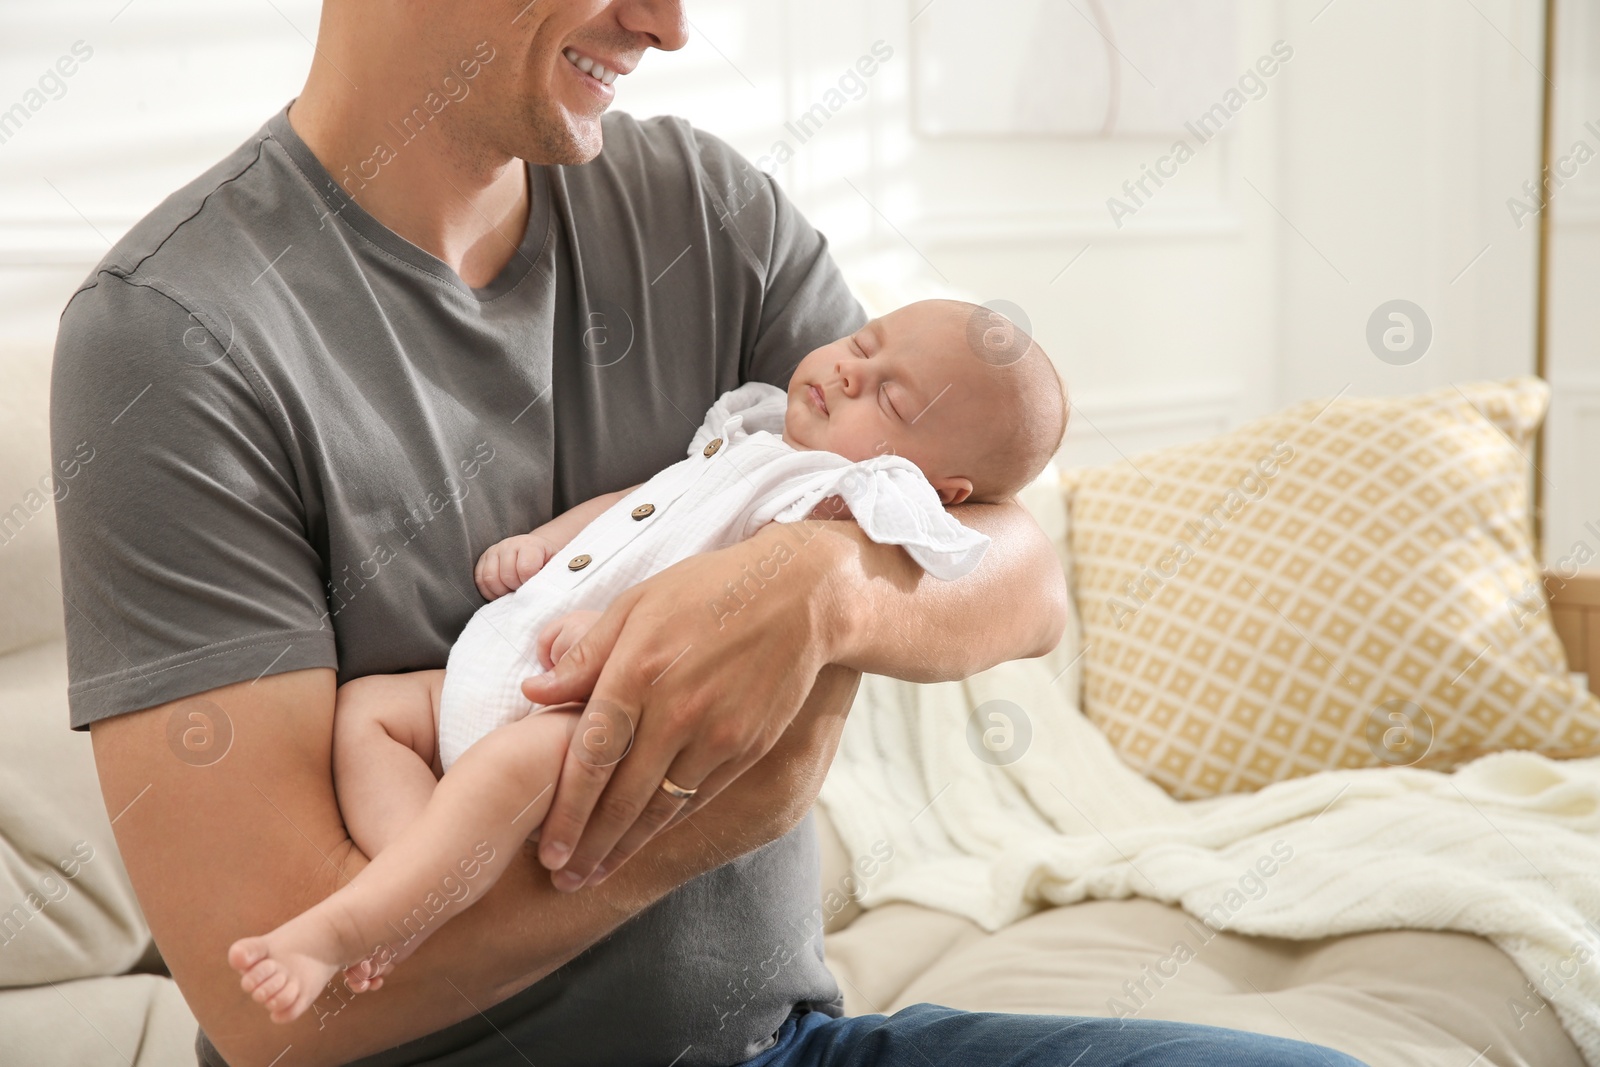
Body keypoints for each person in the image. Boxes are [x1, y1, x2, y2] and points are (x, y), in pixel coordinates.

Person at [50, 2, 1368, 1064]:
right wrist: (707, 817)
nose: (670, 25)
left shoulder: (701, 213)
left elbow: (1018, 580)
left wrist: (825, 584)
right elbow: (282, 1010)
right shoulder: (174, 337)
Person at [226, 300, 1069, 1023]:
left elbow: (748, 606)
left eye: (890, 393)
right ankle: (417, 888)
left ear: (935, 486)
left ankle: (343, 929)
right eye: (863, 343)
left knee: (499, 778)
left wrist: (611, 635)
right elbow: (643, 508)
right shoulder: (753, 435)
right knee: (370, 711)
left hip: (588, 713)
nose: (851, 371)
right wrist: (547, 545)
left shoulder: (837, 497)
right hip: (502, 663)